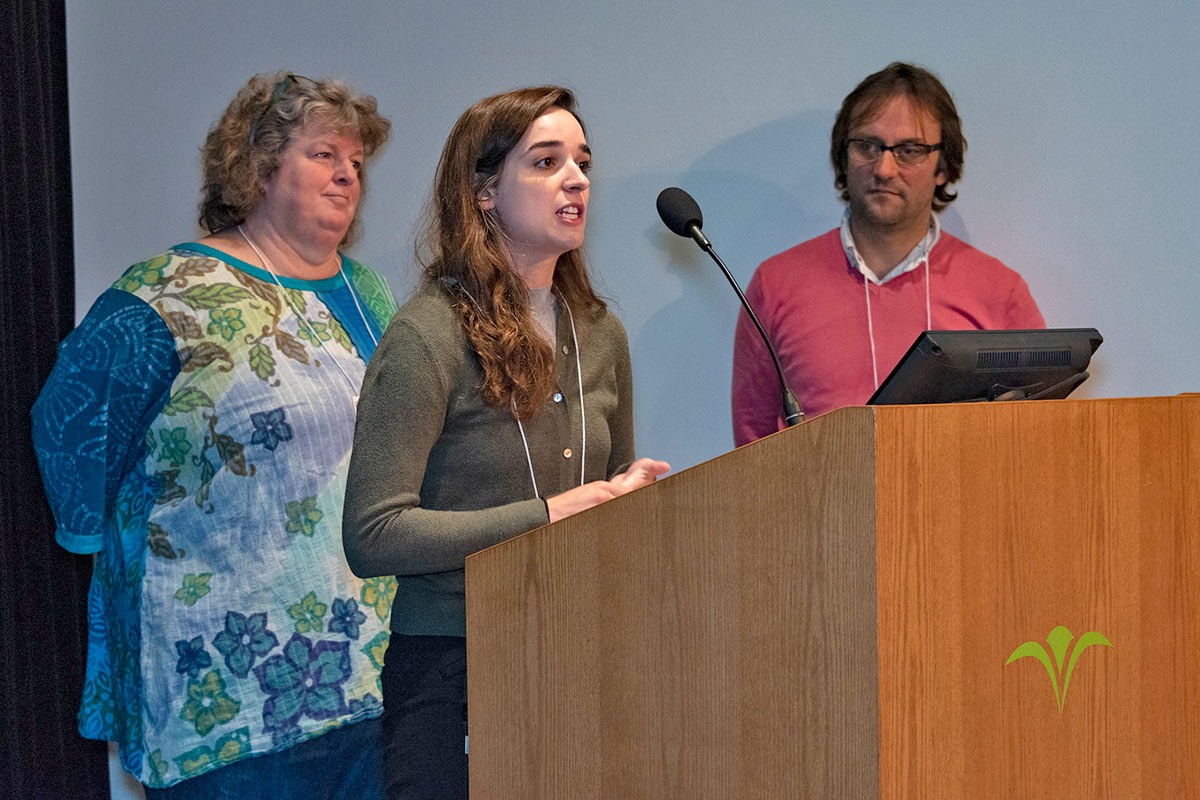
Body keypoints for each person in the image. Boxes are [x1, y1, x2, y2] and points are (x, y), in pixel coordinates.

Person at [32, 71, 397, 798]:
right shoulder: (165, 292)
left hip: (370, 673)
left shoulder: (368, 291)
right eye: (324, 154)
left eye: (355, 161)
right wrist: (94, 539)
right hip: (228, 690)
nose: (347, 174)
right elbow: (69, 421)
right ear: (258, 167)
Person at [342, 86, 670, 798]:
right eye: (546, 162)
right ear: (485, 192)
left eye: (582, 162)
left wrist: (633, 500)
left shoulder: (600, 332)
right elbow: (373, 534)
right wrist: (548, 517)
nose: (577, 179)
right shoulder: (427, 336)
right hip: (451, 665)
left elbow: (605, 497)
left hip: (579, 653)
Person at [731, 62, 1045, 444]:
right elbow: (752, 449)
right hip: (819, 504)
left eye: (909, 150)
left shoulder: (999, 292)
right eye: (867, 146)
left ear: (943, 166)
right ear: (844, 157)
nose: (884, 168)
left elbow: (1035, 438)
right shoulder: (776, 285)